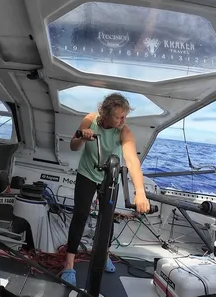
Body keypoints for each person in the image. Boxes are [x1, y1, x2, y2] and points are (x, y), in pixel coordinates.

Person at [60, 93, 150, 286]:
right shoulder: (90, 119)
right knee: (80, 215)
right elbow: (74, 146)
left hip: (109, 177)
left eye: (125, 116)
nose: (123, 120)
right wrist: (82, 137)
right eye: (119, 117)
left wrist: (140, 191)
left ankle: (103, 254)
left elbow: (132, 161)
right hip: (87, 174)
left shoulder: (124, 131)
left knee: (106, 218)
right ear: (105, 114)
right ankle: (69, 264)